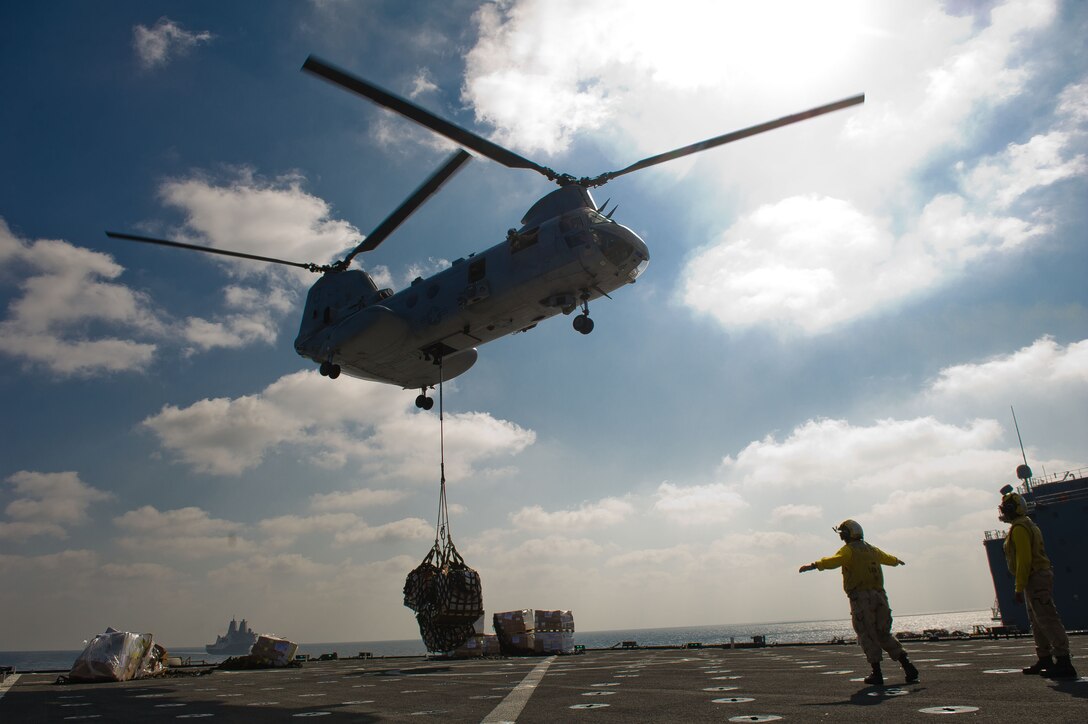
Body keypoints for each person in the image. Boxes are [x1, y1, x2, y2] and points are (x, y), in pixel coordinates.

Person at [799, 519, 918, 686]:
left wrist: (814, 565)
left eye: (842, 534)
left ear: (847, 535)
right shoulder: (872, 549)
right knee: (883, 632)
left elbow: (835, 560)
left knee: (867, 633)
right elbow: (887, 558)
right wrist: (897, 561)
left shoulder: (849, 551)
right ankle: (908, 666)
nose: (841, 537)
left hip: (862, 598)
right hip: (880, 596)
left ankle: (877, 674)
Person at [999, 486, 1077, 679]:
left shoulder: (1019, 529)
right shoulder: (1028, 524)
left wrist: (1018, 586)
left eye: (1005, 507)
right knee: (1037, 620)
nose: (1003, 511)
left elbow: (1024, 559)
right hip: (1034, 577)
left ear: (1011, 508)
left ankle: (1064, 661)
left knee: (1047, 618)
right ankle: (1044, 658)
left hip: (1034, 576)